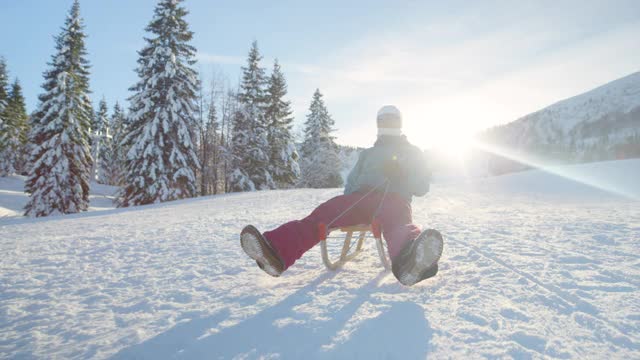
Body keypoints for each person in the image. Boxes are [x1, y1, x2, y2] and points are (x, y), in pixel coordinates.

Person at [240, 105, 443, 286]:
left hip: (394, 199)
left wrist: (403, 173)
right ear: (378, 124)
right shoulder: (368, 154)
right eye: (384, 120)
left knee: (398, 222)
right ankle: (277, 252)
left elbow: (422, 187)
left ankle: (410, 262)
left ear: (399, 123)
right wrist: (351, 199)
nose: (387, 123)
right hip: (361, 198)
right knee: (327, 211)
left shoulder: (413, 152)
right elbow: (351, 183)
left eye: (391, 119)